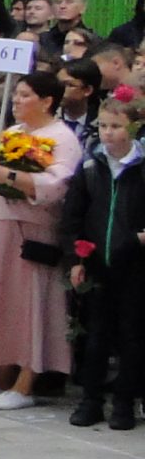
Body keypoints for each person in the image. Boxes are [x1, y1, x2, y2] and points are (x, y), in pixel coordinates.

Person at [0, 69, 81, 412]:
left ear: (47, 101)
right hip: (1, 225)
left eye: (25, 95)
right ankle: (1, 372)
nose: (17, 101)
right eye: (17, 94)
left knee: (31, 303)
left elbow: (58, 185)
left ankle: (28, 380)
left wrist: (10, 175)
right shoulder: (12, 132)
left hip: (34, 229)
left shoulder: (62, 137)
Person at [63, 87, 145, 429]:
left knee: (132, 334)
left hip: (136, 265)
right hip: (97, 262)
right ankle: (91, 399)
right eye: (104, 126)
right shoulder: (91, 165)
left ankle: (124, 401)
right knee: (95, 334)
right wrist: (76, 258)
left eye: (116, 126)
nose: (109, 133)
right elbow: (73, 216)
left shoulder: (140, 167)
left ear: (134, 128)